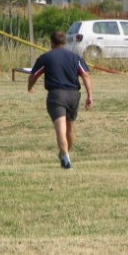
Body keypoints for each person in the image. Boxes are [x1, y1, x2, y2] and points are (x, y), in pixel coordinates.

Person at [28, 31, 93, 169]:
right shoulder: (75, 57)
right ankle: (65, 154)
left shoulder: (45, 57)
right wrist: (90, 95)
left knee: (60, 129)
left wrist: (30, 87)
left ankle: (66, 159)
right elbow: (85, 75)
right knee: (70, 127)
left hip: (56, 95)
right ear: (64, 42)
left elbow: (34, 76)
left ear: (51, 42)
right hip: (74, 95)